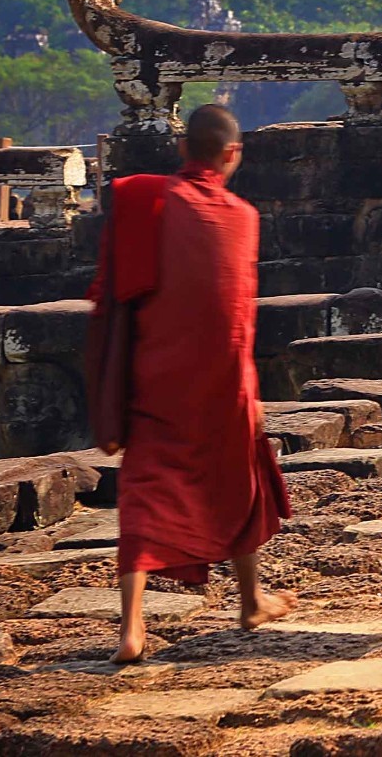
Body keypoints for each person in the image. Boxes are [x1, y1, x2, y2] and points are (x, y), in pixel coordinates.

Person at [101, 103, 293, 665]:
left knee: (143, 493)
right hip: (224, 382)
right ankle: (251, 598)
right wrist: (251, 391)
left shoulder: (144, 201)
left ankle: (132, 629)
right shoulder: (243, 218)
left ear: (184, 150)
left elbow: (116, 292)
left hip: (155, 376)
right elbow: (239, 319)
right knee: (239, 482)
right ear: (233, 155)